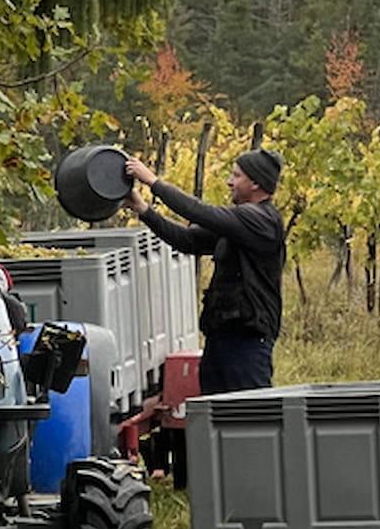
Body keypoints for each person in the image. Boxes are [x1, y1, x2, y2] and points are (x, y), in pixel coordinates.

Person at [123, 148, 286, 394]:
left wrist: (153, 182)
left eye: (237, 176)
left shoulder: (261, 220)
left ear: (255, 183)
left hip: (248, 341)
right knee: (214, 418)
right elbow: (187, 241)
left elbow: (199, 212)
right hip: (221, 336)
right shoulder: (238, 224)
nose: (230, 182)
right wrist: (144, 210)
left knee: (248, 420)